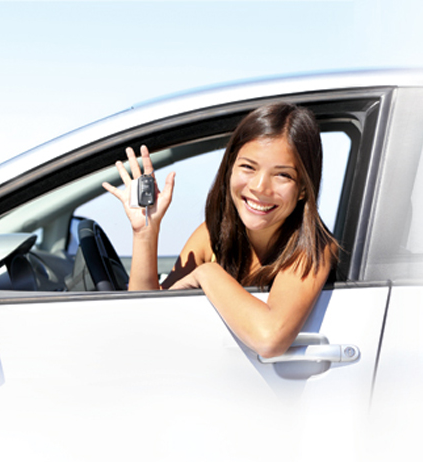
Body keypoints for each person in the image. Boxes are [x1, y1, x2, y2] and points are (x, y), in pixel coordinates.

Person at [102, 102, 338, 359]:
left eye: (282, 175)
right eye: (248, 167)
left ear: (304, 188)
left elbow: (270, 339)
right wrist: (145, 232)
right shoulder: (211, 235)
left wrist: (207, 273)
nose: (260, 187)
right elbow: (146, 316)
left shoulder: (314, 248)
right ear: (229, 169)